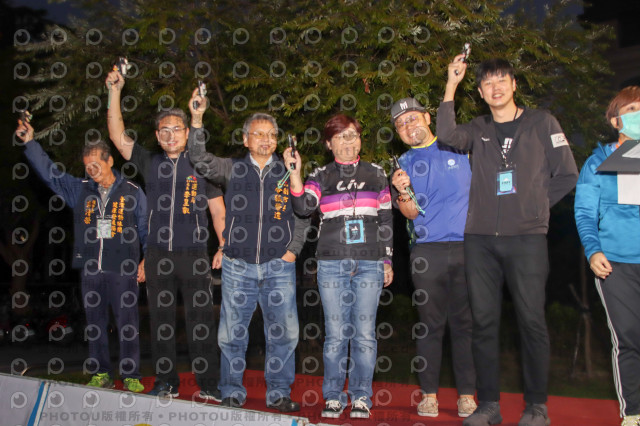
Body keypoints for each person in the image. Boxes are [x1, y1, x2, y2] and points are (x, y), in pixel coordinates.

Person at [436, 57, 578, 426]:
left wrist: (535, 208)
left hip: (527, 239)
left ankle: (536, 406)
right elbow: (447, 135)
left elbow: (567, 174)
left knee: (531, 321)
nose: (495, 88)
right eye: (488, 83)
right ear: (480, 93)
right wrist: (451, 85)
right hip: (480, 240)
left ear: (514, 84)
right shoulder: (477, 128)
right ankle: (488, 405)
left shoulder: (542, 122)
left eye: (502, 80)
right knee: (483, 323)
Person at [187, 92, 308, 413]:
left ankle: (279, 393)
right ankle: (231, 391)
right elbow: (198, 158)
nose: (266, 140)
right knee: (232, 333)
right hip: (238, 265)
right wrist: (197, 118)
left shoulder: (289, 171)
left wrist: (293, 251)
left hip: (279, 266)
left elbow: (303, 213)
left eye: (272, 135)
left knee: (283, 334)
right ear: (245, 139)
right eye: (259, 134)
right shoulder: (231, 169)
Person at [105, 70, 223, 399]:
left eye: (177, 130)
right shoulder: (149, 161)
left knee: (201, 322)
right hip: (158, 255)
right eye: (164, 131)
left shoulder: (202, 164)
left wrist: (224, 244)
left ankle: (209, 384)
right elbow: (116, 135)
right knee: (161, 322)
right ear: (157, 137)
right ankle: (166, 381)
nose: (171, 136)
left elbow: (218, 210)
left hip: (194, 254)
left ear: (188, 132)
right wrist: (115, 91)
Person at [15, 121, 147, 393]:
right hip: (91, 270)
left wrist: (148, 261)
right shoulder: (80, 189)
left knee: (127, 324)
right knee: (95, 325)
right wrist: (30, 143)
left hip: (123, 270)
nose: (92, 171)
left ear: (110, 161)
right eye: (88, 167)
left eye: (97, 165)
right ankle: (101, 373)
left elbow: (147, 229)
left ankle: (131, 374)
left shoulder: (133, 192)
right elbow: (51, 175)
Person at [284, 114, 393, 420]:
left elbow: (386, 219)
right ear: (329, 144)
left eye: (353, 135)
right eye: (340, 137)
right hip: (332, 263)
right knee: (335, 334)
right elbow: (303, 207)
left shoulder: (377, 173)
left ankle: (361, 396)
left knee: (364, 334)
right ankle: (333, 396)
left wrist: (387, 260)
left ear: (360, 139)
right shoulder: (320, 175)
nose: (348, 142)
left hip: (370, 262)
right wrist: (295, 173)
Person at [389, 97, 476, 418]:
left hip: (468, 248)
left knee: (464, 324)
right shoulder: (402, 164)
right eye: (401, 124)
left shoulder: (460, 148)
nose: (408, 126)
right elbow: (411, 213)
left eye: (412, 118)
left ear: (427, 118)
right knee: (429, 325)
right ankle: (428, 396)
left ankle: (467, 395)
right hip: (427, 252)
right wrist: (403, 191)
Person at [574, 86, 640, 426]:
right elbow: (585, 212)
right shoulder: (597, 163)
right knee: (629, 338)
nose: (639, 114)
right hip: (616, 263)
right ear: (616, 121)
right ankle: (634, 413)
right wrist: (593, 249)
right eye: (632, 109)